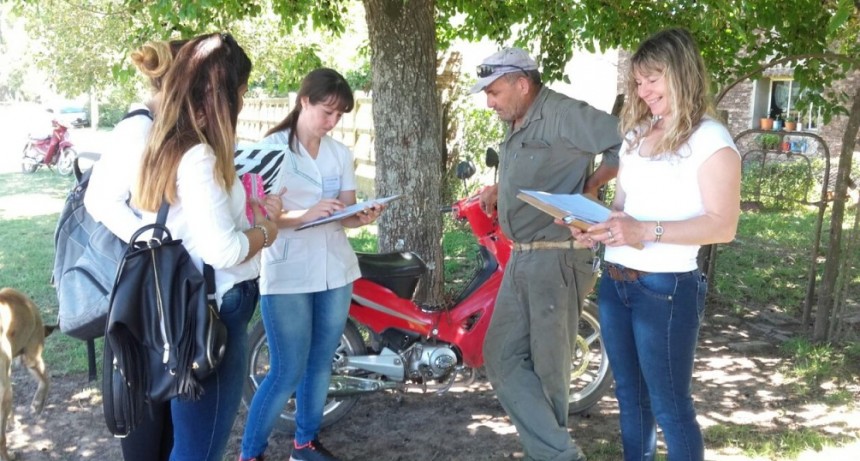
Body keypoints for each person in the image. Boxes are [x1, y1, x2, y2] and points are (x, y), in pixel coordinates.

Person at [568, 28, 741, 461]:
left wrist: (645, 232)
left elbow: (723, 226)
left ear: (682, 74)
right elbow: (623, 211)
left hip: (665, 289)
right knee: (630, 399)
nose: (643, 91)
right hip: (616, 282)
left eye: (653, 79)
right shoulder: (635, 136)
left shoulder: (712, 141)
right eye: (638, 82)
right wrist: (594, 227)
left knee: (671, 407)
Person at [130, 32, 280, 461]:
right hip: (212, 314)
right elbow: (224, 251)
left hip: (185, 308)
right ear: (218, 93)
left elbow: (191, 227)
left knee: (191, 442)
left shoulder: (166, 145)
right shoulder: (198, 157)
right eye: (241, 92)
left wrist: (244, 206)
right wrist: (269, 229)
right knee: (201, 450)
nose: (244, 103)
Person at [473, 48, 622, 461]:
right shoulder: (518, 116)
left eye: (495, 91)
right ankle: (558, 453)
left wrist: (591, 186)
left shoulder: (561, 112)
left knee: (549, 371)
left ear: (522, 83)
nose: (490, 101)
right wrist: (497, 191)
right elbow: (534, 171)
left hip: (558, 257)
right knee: (499, 355)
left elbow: (627, 138)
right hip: (521, 256)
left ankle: (555, 456)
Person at [239, 68, 384, 461]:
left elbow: (345, 211)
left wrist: (361, 215)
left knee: (321, 362)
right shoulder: (269, 150)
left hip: (335, 269)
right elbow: (257, 220)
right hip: (287, 271)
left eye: (339, 116)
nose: (332, 122)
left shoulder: (339, 152)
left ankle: (305, 443)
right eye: (327, 111)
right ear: (304, 100)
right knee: (286, 369)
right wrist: (304, 214)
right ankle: (250, 453)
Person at [84, 38, 186, 461]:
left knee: (165, 403)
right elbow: (99, 199)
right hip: (142, 282)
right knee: (144, 402)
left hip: (164, 281)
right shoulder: (139, 128)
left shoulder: (168, 126)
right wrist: (148, 238)